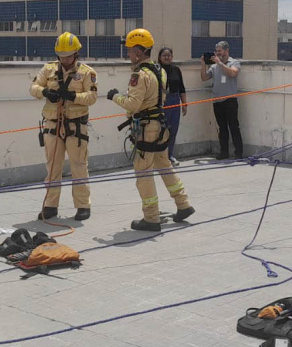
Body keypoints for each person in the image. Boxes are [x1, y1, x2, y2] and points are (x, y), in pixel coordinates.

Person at [108, 29, 194, 231]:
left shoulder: (139, 75)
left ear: (138, 52)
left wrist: (115, 96)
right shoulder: (159, 70)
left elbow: (133, 104)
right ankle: (183, 204)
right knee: (165, 166)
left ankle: (151, 218)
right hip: (160, 126)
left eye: (130, 50)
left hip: (146, 129)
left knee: (143, 173)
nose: (128, 54)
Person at [29, 32, 98, 221]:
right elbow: (33, 87)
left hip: (76, 127)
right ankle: (50, 206)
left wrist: (74, 97)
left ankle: (83, 206)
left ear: (76, 54)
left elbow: (92, 97)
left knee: (79, 166)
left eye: (68, 56)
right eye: (61, 56)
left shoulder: (87, 72)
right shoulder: (48, 69)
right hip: (52, 126)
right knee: (52, 167)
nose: (64, 59)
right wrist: (45, 92)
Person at [199, 41, 243, 159]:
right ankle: (224, 152)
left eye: (220, 51)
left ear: (226, 50)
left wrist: (220, 63)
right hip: (217, 101)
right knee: (222, 128)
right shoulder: (214, 66)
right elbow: (204, 77)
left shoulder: (234, 62)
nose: (218, 53)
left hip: (230, 100)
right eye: (216, 51)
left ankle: (239, 153)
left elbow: (233, 73)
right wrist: (203, 64)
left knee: (234, 127)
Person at [158, 47, 187, 166]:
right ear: (159, 57)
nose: (167, 57)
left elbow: (182, 88)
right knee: (162, 131)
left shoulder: (176, 70)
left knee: (173, 130)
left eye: (169, 55)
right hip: (163, 102)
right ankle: (161, 158)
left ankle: (170, 156)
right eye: (164, 55)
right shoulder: (157, 70)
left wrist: (184, 103)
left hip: (175, 101)